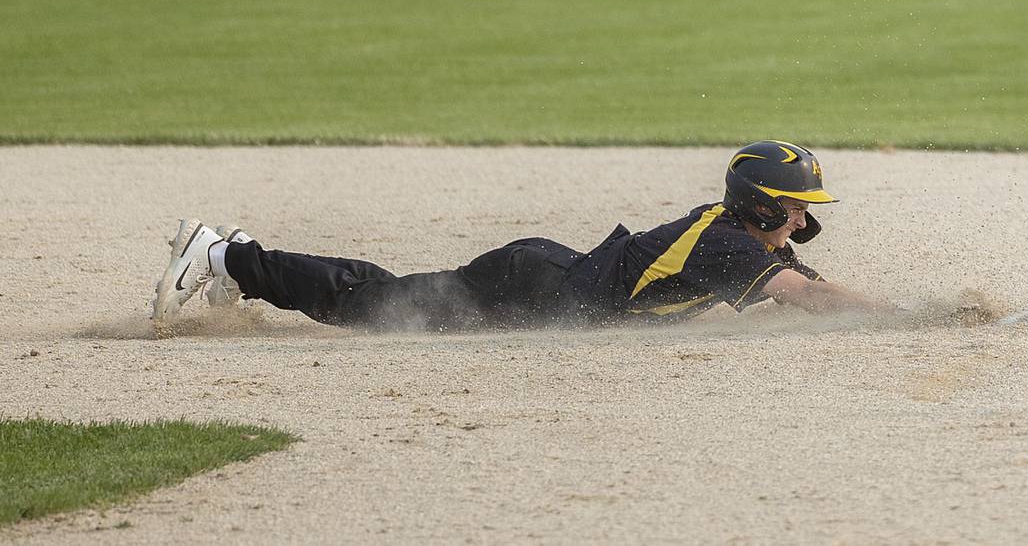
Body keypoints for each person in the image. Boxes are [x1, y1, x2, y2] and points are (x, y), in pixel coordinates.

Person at [151, 141, 885, 330]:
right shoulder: (730, 246)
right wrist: (912, 317)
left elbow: (808, 288)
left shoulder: (745, 237)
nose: (802, 220)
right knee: (373, 307)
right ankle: (222, 254)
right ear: (759, 206)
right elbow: (806, 300)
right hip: (537, 288)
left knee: (391, 294)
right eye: (792, 206)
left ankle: (235, 255)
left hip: (553, 278)